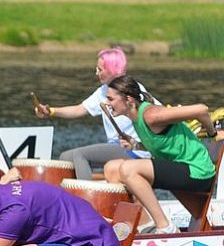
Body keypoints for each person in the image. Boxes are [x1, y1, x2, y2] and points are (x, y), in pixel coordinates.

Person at [102, 75, 219, 234]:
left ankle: (165, 227)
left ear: (128, 99)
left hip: (198, 171)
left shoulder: (151, 114)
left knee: (129, 169)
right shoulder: (135, 118)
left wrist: (213, 134)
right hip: (180, 169)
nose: (107, 103)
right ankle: (140, 225)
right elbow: (162, 144)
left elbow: (201, 110)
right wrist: (135, 145)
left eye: (110, 98)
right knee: (112, 168)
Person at [33, 47, 153, 180]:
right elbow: (79, 109)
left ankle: (85, 197)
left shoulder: (133, 89)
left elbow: (155, 110)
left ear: (112, 70)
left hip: (135, 151)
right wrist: (50, 111)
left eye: (100, 69)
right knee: (65, 158)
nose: (96, 73)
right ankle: (70, 195)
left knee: (80, 155)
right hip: (116, 147)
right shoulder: (103, 91)